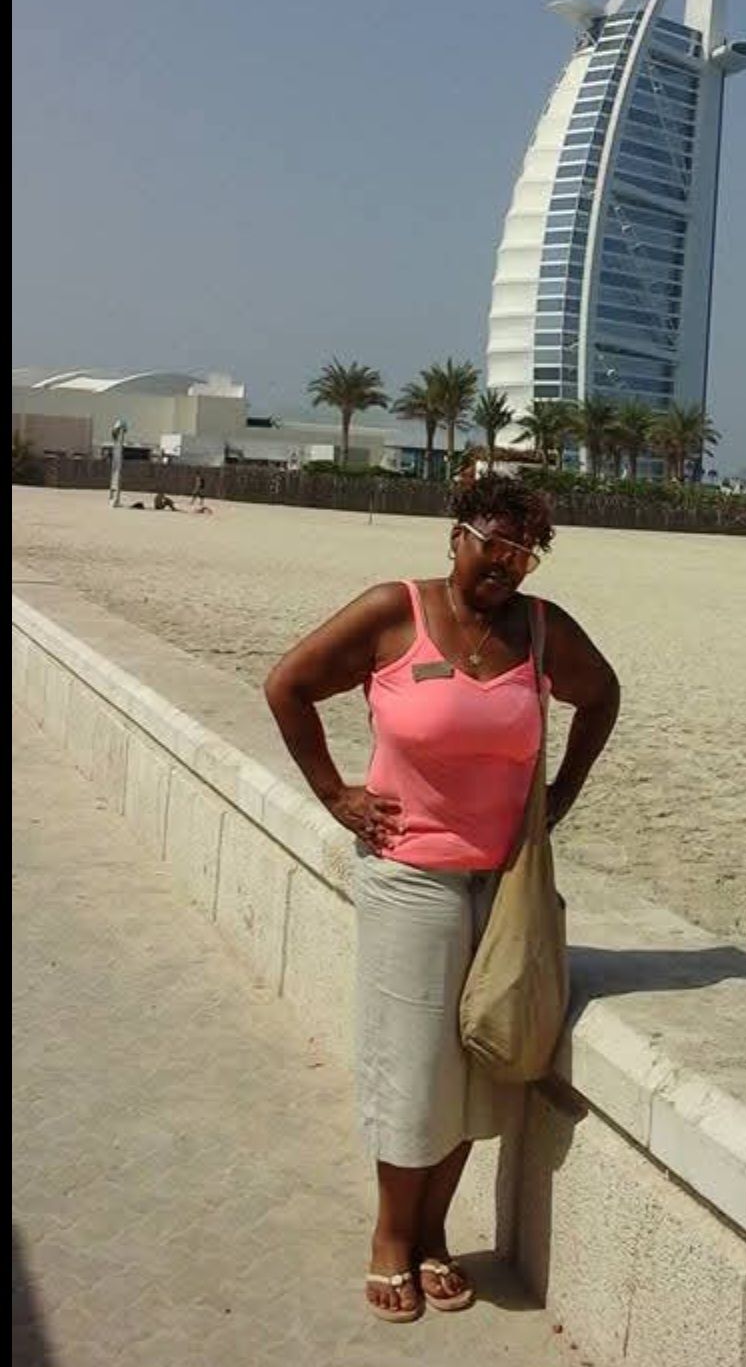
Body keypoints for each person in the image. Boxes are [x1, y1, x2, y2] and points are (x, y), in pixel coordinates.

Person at [264, 475, 620, 1324]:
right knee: (413, 1065)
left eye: (522, 552)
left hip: (502, 883)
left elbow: (602, 696)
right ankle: (393, 1237)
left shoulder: (541, 630)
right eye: (491, 543)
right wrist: (335, 794)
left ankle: (436, 1236)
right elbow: (287, 684)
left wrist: (560, 794)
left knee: (474, 1065)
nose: (504, 564)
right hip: (408, 876)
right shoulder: (395, 611)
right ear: (454, 536)